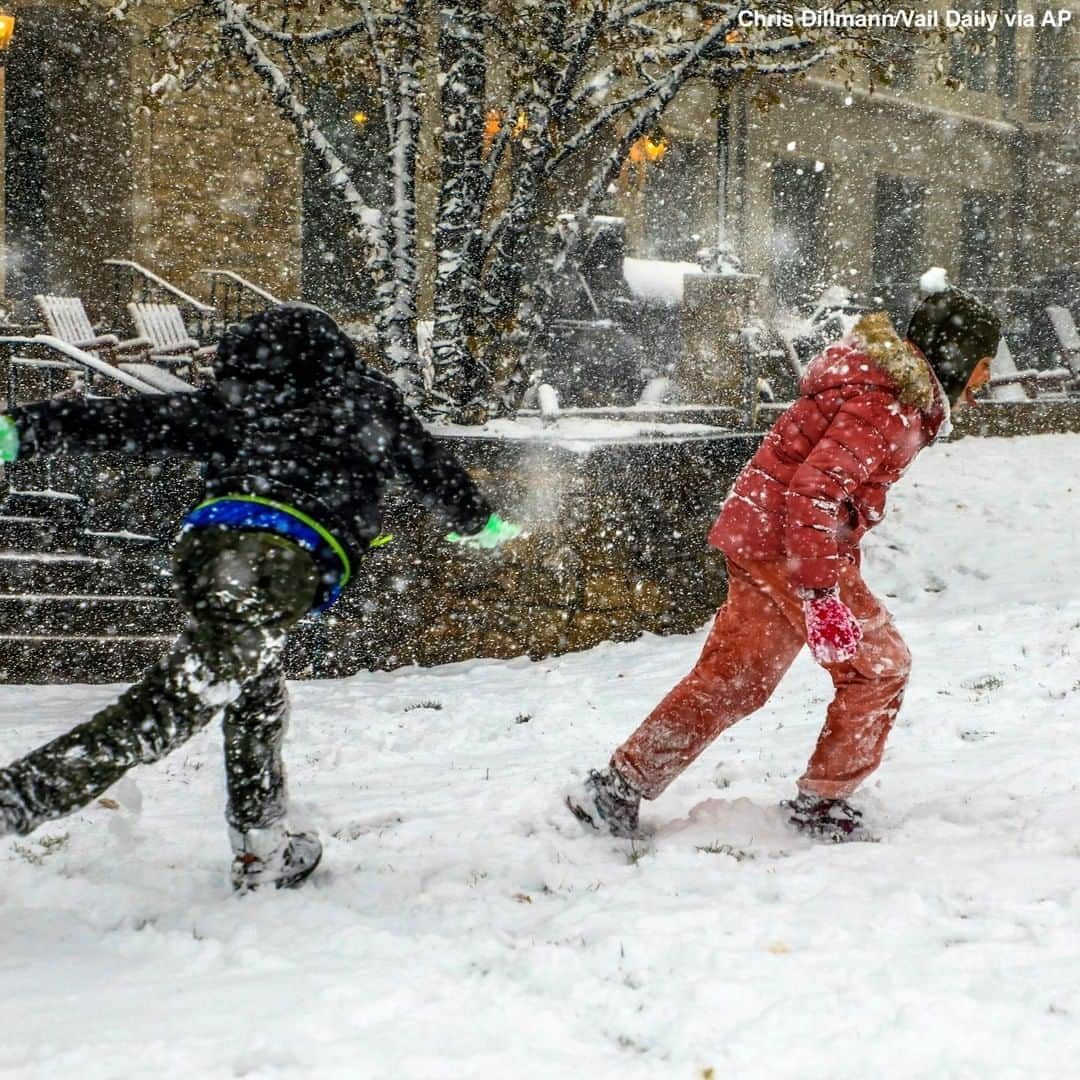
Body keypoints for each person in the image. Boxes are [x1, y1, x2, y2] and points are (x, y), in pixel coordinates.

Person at [0, 304, 520, 890]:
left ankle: (263, 846)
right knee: (173, 705)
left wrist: (26, 429)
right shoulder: (366, 403)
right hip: (280, 562)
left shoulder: (233, 404)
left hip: (208, 551)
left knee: (257, 695)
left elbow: (129, 419)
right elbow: (431, 470)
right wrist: (478, 522)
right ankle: (22, 796)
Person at [568, 285, 1000, 842]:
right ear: (960, 355)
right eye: (984, 364)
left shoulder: (883, 386)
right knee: (880, 668)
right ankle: (822, 805)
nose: (986, 378)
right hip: (791, 546)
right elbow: (814, 494)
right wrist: (822, 597)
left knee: (734, 679)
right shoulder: (888, 404)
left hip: (762, 533)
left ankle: (616, 789)